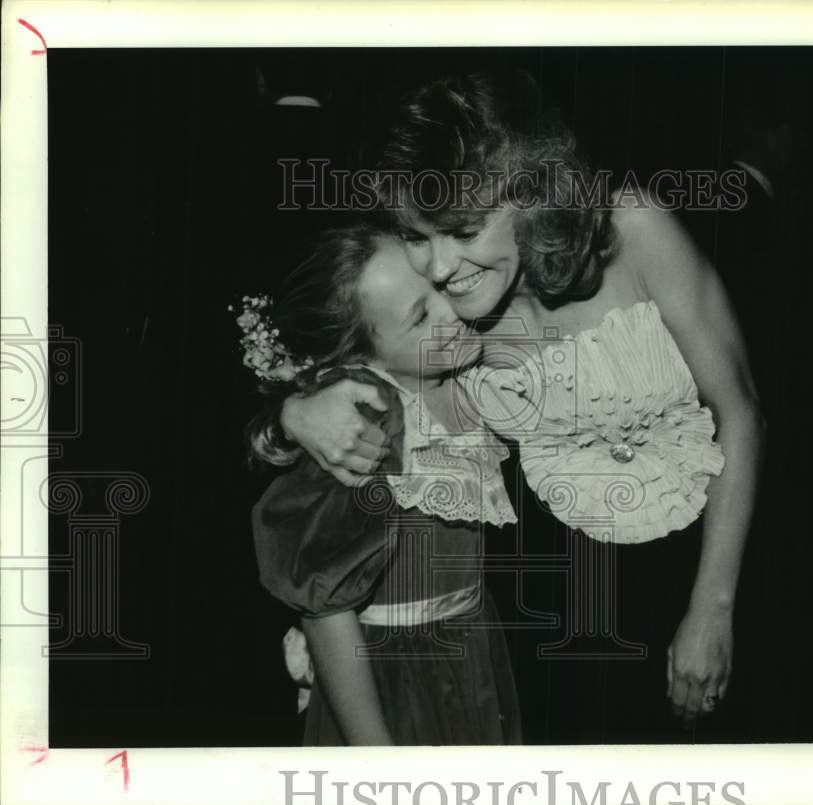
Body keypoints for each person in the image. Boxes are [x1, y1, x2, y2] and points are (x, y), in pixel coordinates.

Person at [277, 73, 766, 735]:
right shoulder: (445, 310)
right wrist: (299, 408)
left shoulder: (632, 228)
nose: (441, 265)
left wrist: (713, 606)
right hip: (526, 624)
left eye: (466, 230)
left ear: (532, 194)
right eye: (419, 234)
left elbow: (740, 411)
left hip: (683, 585)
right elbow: (331, 335)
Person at [241, 221, 522, 745]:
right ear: (360, 357)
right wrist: (377, 757)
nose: (449, 312)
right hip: (393, 681)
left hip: (471, 653)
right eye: (420, 316)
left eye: (438, 289)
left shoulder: (461, 369)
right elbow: (326, 609)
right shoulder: (367, 417)